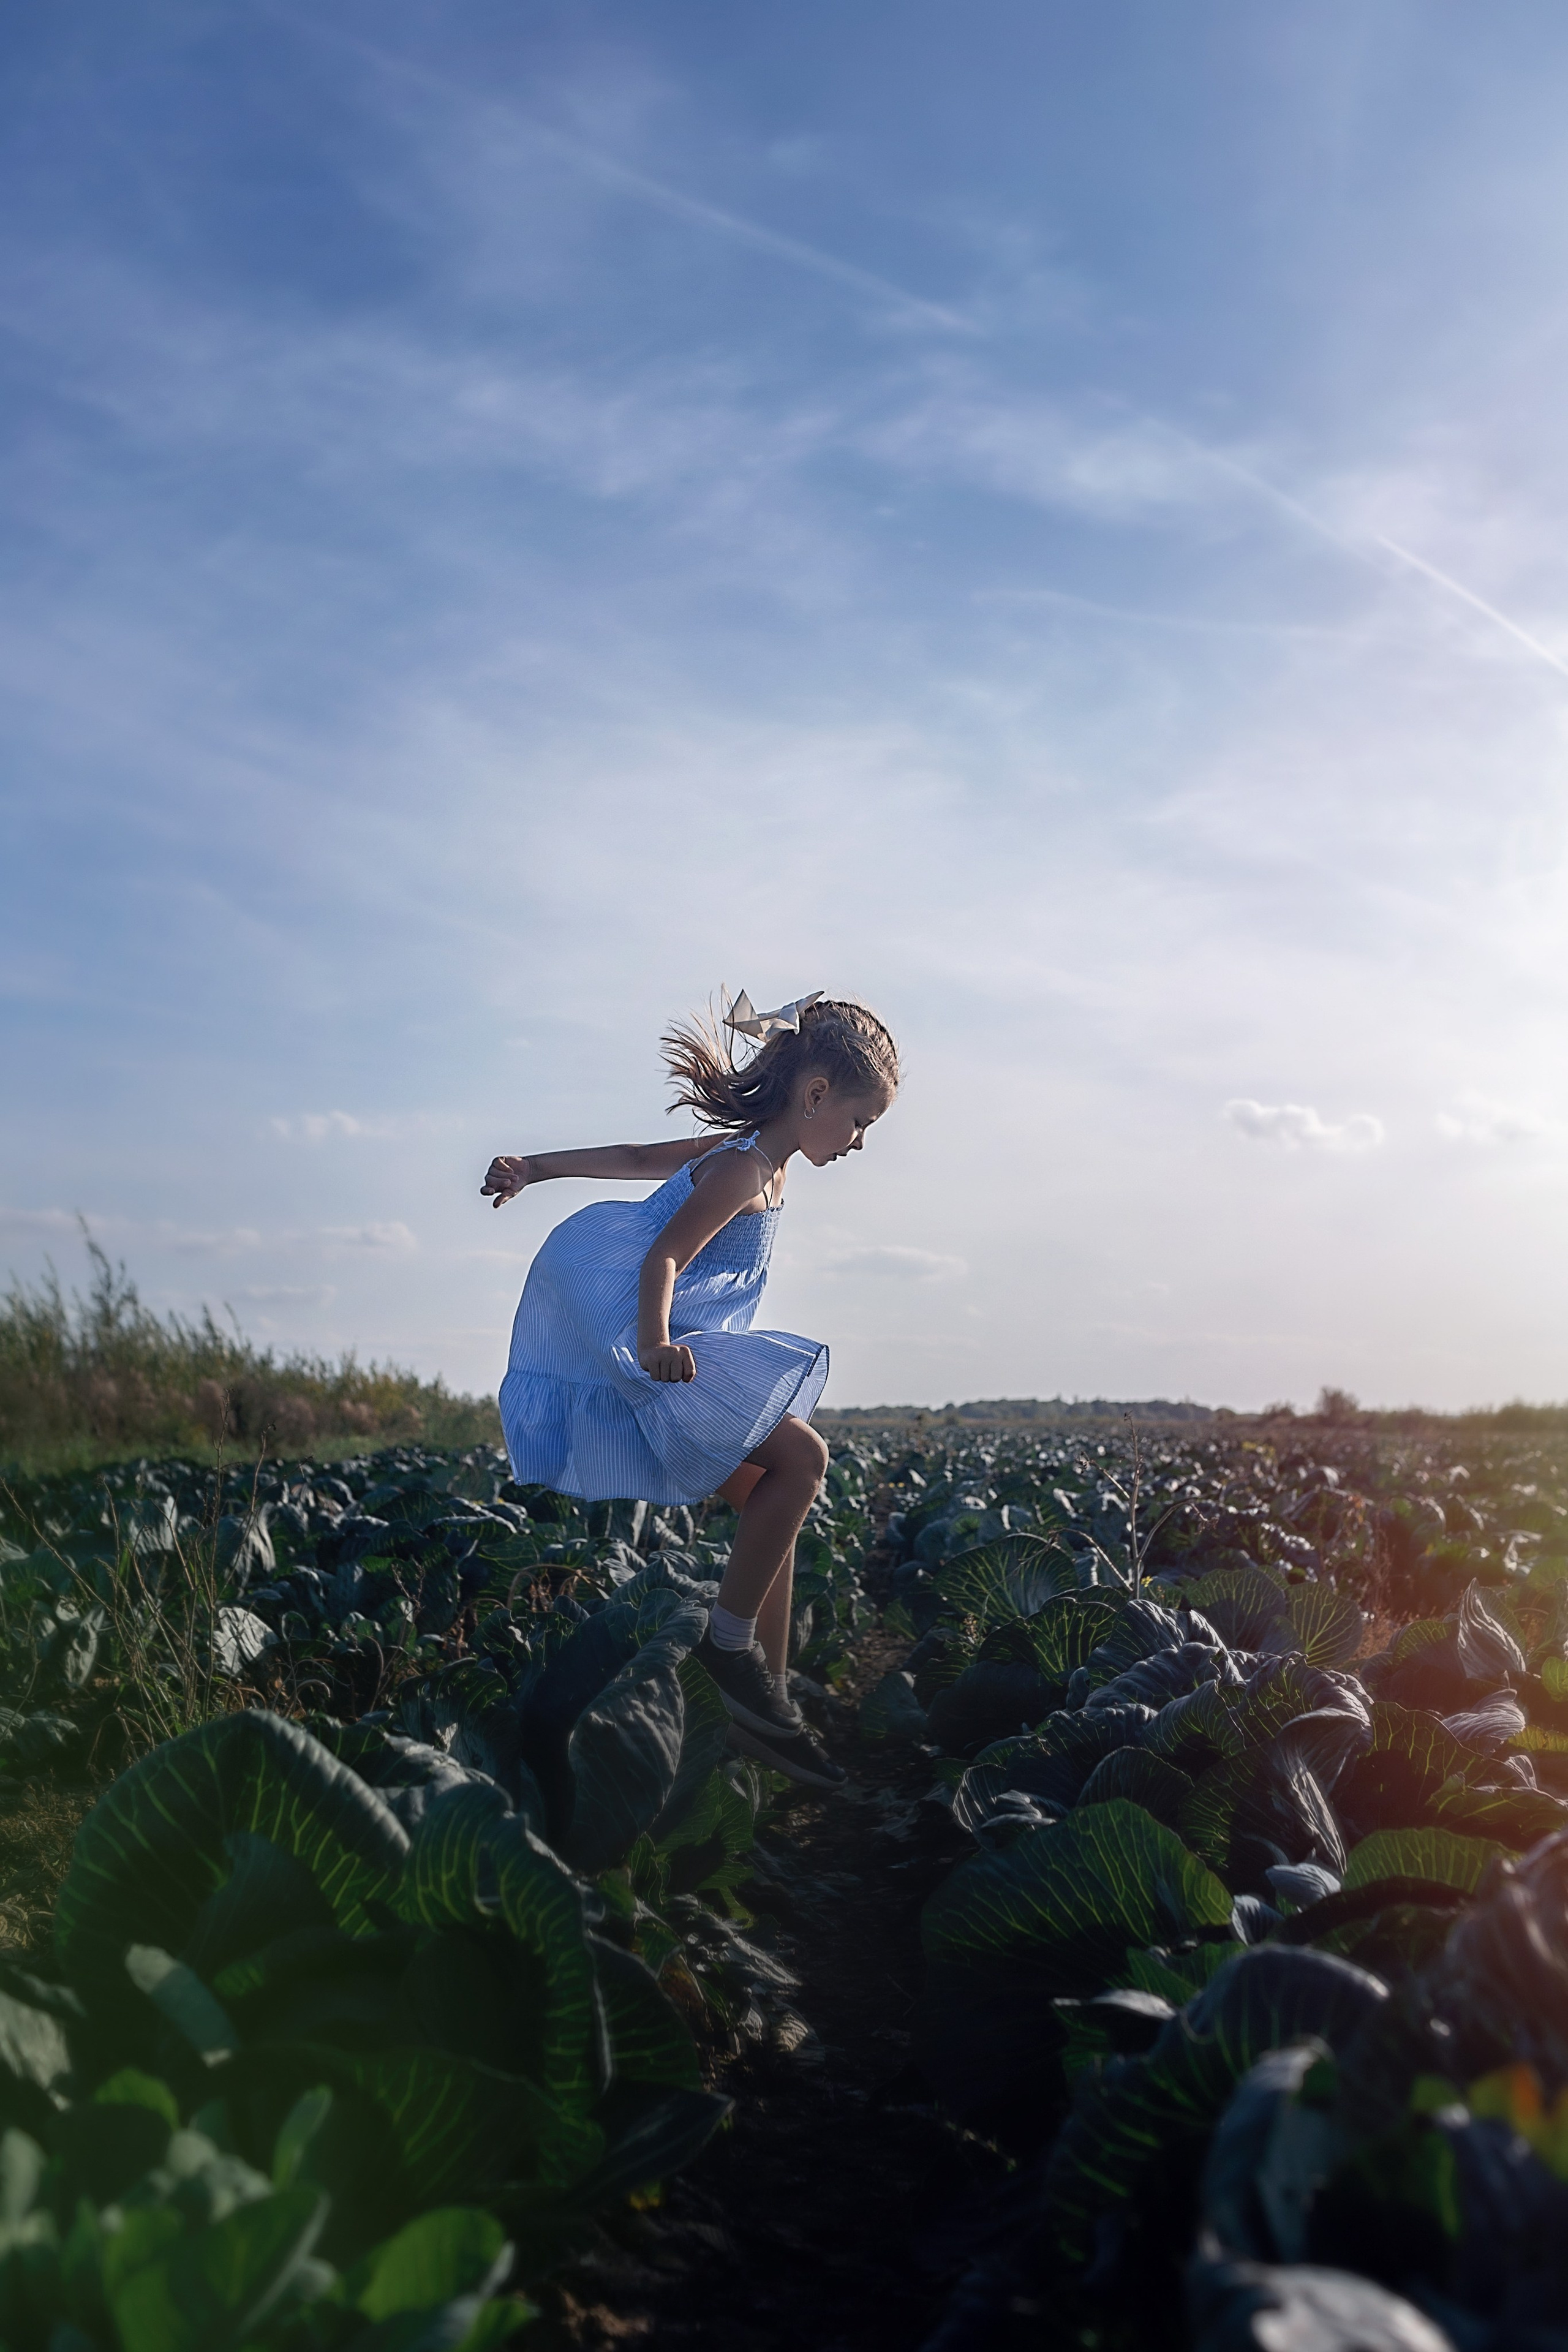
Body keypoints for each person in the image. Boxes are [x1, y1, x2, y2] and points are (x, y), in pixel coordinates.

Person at [481, 990, 899, 1789]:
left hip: (682, 1352)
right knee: (802, 1460)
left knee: (774, 1504)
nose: (860, 1142)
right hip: (662, 1353)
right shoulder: (743, 1170)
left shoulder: (758, 1161)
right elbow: (661, 1260)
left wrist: (538, 1167)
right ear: (814, 1096)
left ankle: (764, 1709)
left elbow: (639, 1157)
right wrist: (654, 1342)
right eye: (860, 1122)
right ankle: (728, 1648)